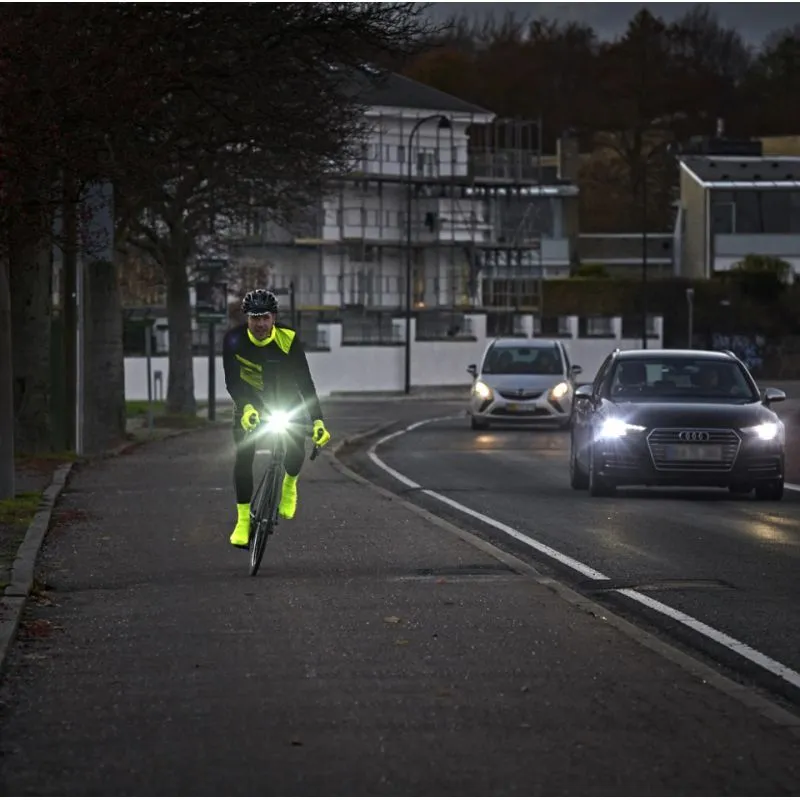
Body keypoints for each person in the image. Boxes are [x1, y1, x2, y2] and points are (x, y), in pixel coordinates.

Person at [222, 289, 331, 549]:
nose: (260, 324)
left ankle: (289, 484)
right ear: (247, 319)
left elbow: (305, 382)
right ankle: (242, 521)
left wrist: (317, 421)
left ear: (274, 318)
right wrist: (247, 407)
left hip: (285, 400)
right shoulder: (233, 340)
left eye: (265, 318)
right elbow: (232, 382)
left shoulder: (288, 339)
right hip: (250, 404)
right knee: (244, 454)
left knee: (296, 448)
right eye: (254, 318)